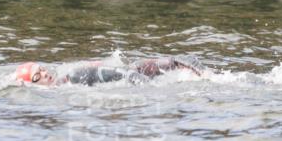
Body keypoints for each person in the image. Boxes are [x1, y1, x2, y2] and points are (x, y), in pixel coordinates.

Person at [14, 56, 204, 87]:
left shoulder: (71, 76)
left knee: (179, 62)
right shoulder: (64, 86)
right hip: (130, 72)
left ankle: (210, 77)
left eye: (42, 70)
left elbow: (121, 73)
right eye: (37, 77)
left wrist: (152, 88)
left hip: (132, 71)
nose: (45, 74)